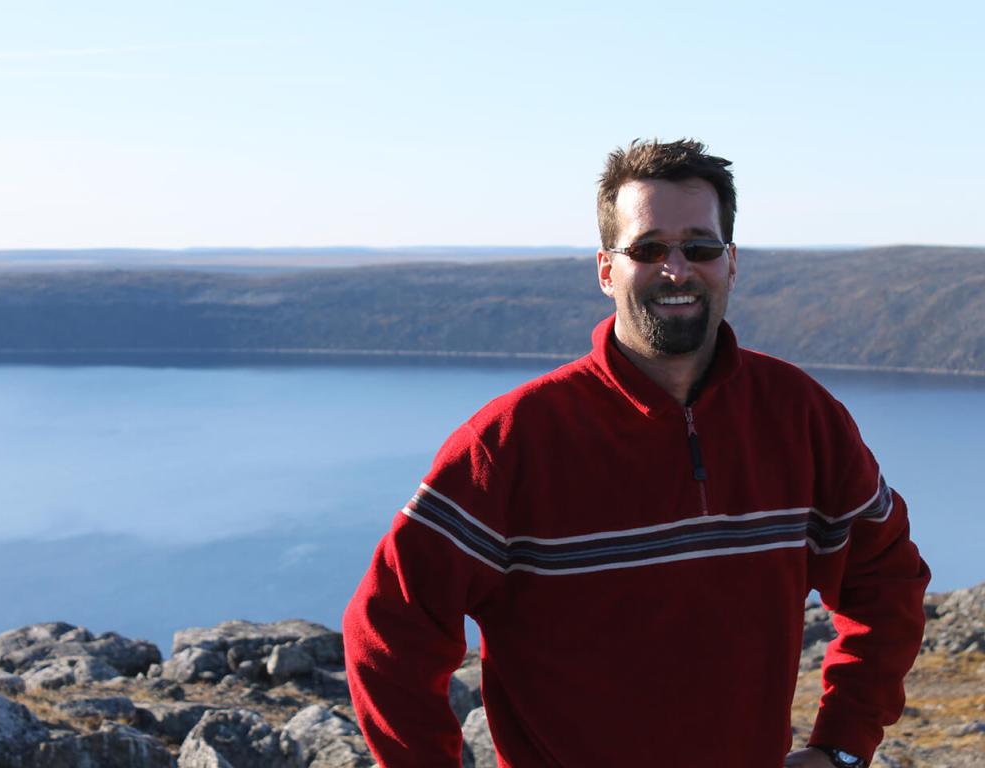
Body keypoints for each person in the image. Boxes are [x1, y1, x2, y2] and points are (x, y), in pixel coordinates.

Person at [343, 139, 930, 767]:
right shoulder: (513, 442)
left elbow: (887, 581)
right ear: (606, 270)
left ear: (730, 263)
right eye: (648, 249)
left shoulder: (798, 415)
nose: (676, 270)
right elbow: (388, 628)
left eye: (699, 248)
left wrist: (842, 745)